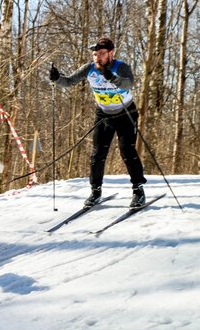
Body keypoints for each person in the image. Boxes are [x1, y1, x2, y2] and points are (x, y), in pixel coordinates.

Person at [50, 37, 147, 209]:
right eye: (95, 54)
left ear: (111, 53)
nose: (97, 57)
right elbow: (69, 82)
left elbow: (128, 84)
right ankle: (95, 191)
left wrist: (114, 79)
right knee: (97, 154)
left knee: (127, 151)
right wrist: (57, 78)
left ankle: (138, 190)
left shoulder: (121, 67)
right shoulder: (89, 69)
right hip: (104, 114)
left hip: (125, 113)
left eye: (101, 53)